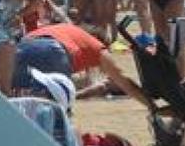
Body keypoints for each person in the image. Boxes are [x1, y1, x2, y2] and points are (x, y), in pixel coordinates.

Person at [22, 22, 152, 107]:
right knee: (56, 110)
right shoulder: (95, 46)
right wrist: (152, 106)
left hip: (23, 46)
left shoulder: (67, 29)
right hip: (54, 51)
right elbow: (124, 82)